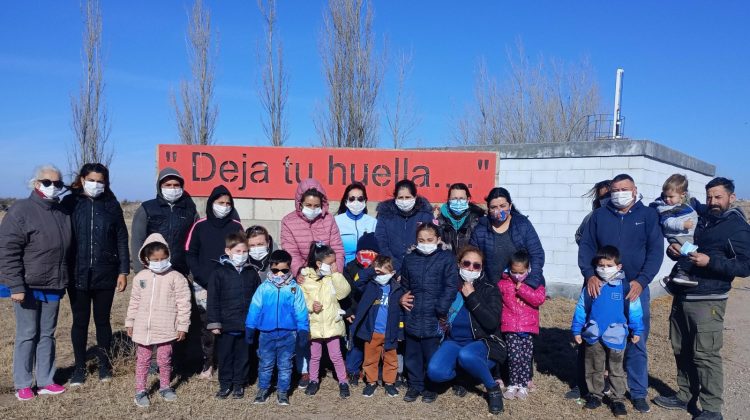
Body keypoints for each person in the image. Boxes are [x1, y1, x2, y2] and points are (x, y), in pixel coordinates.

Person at [654, 177, 750, 420]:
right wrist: (673, 251)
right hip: (684, 292)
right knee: (681, 348)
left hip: (709, 298)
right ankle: (684, 394)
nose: (712, 201)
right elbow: (687, 247)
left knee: (705, 354)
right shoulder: (703, 218)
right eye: (709, 197)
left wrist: (710, 262)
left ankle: (711, 408)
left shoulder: (737, 227)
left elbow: (745, 266)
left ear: (731, 197)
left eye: (718, 197)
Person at [577, 173, 663, 413]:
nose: (619, 193)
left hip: (634, 289)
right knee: (592, 335)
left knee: (636, 339)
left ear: (634, 190)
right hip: (601, 287)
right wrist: (589, 275)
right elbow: (586, 248)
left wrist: (642, 281)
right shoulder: (599, 216)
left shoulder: (647, 216)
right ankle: (588, 387)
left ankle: (637, 392)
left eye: (624, 188)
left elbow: (656, 251)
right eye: (615, 189)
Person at [0, 164, 72, 401]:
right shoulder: (21, 211)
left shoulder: (62, 212)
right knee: (27, 333)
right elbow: (7, 251)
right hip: (27, 285)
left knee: (47, 334)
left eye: (58, 183)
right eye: (47, 182)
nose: (53, 187)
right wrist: (16, 286)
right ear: (36, 183)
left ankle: (45, 380)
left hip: (53, 283)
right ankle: (22, 383)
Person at [62, 163, 130, 386]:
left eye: (100, 181)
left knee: (102, 320)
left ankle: (104, 365)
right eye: (92, 180)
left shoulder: (111, 204)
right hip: (77, 273)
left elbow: (121, 237)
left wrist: (123, 270)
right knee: (80, 321)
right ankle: (80, 368)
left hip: (105, 272)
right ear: (82, 179)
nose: (96, 184)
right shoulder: (71, 202)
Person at [426, 245, 506, 415]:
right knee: (435, 372)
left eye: (476, 265)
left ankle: (493, 389)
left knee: (467, 355)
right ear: (459, 264)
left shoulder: (489, 289)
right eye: (466, 263)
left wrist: (472, 297)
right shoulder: (450, 286)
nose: (470, 268)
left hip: (483, 343)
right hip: (454, 341)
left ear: (481, 268)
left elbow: (491, 323)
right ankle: (462, 376)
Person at [280, 178, 344, 387]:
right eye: (308, 205)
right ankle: (305, 368)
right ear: (300, 203)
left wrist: (335, 272)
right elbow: (290, 250)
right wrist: (300, 271)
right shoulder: (288, 221)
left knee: (327, 318)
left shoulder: (329, 220)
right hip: (304, 279)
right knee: (305, 323)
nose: (313, 209)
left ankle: (330, 363)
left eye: (317, 205)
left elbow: (337, 248)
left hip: (327, 277)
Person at [572, 245, 644, 418]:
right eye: (601, 265)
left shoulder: (626, 287)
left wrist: (637, 329)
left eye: (609, 265)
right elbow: (581, 308)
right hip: (593, 334)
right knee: (594, 367)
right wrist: (576, 329)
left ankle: (618, 399)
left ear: (618, 266)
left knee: (616, 369)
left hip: (617, 335)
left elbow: (635, 310)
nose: (604, 269)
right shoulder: (591, 286)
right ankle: (594, 395)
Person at [126, 233, 191, 408]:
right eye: (155, 259)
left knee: (164, 359)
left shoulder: (176, 277)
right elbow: (134, 301)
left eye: (164, 258)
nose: (160, 262)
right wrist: (130, 321)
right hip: (143, 328)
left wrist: (183, 325)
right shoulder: (141, 278)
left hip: (166, 327)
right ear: (146, 259)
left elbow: (184, 303)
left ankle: (165, 387)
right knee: (143, 360)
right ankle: (140, 390)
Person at [185, 185, 244, 379]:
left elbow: (241, 252)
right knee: (207, 324)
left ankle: (226, 360)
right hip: (204, 284)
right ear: (212, 203)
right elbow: (191, 253)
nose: (224, 206)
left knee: (228, 322)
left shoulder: (236, 226)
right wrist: (203, 278)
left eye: (228, 203)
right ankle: (207, 364)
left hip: (229, 284)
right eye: (220, 203)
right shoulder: (200, 225)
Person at [399, 223, 459, 404]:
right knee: (413, 354)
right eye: (421, 240)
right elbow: (405, 285)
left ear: (438, 240)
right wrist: (402, 299)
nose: (425, 243)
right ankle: (415, 385)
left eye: (430, 240)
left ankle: (431, 387)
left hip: (434, 316)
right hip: (413, 313)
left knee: (431, 353)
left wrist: (440, 308)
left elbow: (451, 286)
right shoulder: (409, 259)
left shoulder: (446, 259)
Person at [246, 250, 310, 406]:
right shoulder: (264, 288)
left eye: (284, 270)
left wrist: (303, 330)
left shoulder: (294, 289)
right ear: (270, 268)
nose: (280, 273)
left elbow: (301, 311)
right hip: (266, 334)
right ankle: (262, 390)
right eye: (275, 270)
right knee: (265, 363)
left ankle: (282, 392)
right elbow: (254, 308)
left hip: (288, 334)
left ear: (289, 268)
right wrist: (250, 327)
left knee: (285, 365)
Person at [207, 232, 260, 400]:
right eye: (238, 252)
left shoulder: (251, 272)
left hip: (246, 323)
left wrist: (256, 320)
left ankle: (239, 384)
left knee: (243, 355)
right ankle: (225, 384)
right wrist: (214, 323)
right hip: (225, 324)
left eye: (245, 252)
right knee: (225, 356)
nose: (242, 256)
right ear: (228, 251)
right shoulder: (219, 272)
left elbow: (258, 299)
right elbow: (213, 299)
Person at [299, 242, 352, 398]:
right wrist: (311, 306)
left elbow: (344, 292)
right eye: (331, 263)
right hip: (314, 324)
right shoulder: (306, 278)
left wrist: (336, 274)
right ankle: (313, 380)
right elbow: (301, 299)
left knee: (336, 355)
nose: (334, 265)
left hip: (331, 323)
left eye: (335, 262)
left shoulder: (332, 278)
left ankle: (343, 381)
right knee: (315, 356)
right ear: (318, 263)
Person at [349, 255, 405, 398]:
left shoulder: (397, 290)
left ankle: (390, 384)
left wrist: (399, 332)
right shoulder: (370, 287)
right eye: (377, 273)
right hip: (372, 332)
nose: (380, 276)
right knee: (370, 359)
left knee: (391, 359)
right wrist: (373, 271)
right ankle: (371, 383)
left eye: (383, 273)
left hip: (390, 333)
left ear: (392, 273)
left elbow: (401, 314)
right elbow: (357, 280)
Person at [470, 187, 546, 288]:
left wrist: (531, 282)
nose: (498, 210)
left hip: (521, 286)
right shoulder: (480, 229)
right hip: (492, 288)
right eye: (494, 207)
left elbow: (537, 254)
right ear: (488, 208)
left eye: (502, 206)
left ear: (510, 205)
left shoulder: (522, 225)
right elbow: (472, 256)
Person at [130, 167, 198, 277]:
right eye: (168, 185)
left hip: (181, 271)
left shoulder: (190, 210)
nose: (172, 188)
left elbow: (195, 241)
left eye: (176, 185)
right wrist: (139, 270)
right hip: (152, 269)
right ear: (160, 186)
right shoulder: (146, 208)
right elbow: (137, 240)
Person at [498, 250, 546, 400]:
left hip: (528, 327)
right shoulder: (504, 284)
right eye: (514, 272)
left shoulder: (535, 282)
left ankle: (523, 385)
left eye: (521, 272)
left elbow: (539, 299)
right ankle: (513, 384)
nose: (517, 275)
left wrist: (522, 289)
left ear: (528, 269)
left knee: (526, 358)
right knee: (514, 357)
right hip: (510, 327)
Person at [341, 232, 380, 386]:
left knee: (373, 344)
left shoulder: (380, 268)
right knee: (355, 344)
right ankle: (352, 371)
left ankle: (372, 371)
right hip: (355, 313)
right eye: (362, 252)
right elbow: (345, 292)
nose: (366, 256)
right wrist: (348, 311)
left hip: (374, 313)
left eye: (371, 252)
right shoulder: (350, 268)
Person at [650, 174, 699, 288]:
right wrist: (683, 224)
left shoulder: (684, 205)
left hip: (683, 235)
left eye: (671, 197)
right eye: (665, 196)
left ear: (683, 195)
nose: (667, 199)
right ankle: (681, 274)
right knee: (691, 254)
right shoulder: (665, 207)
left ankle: (677, 275)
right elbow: (667, 221)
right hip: (679, 235)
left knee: (688, 254)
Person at [375, 179, 434, 270]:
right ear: (395, 198)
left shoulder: (425, 215)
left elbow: (430, 243)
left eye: (408, 197)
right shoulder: (385, 215)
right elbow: (381, 242)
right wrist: (395, 267)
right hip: (390, 268)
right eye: (400, 197)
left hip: (418, 268)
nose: (404, 201)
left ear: (414, 197)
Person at [335, 182, 378, 264]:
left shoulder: (373, 222)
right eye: (352, 199)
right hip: (343, 269)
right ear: (346, 202)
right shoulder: (336, 221)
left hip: (367, 270)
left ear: (365, 201)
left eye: (360, 199)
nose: (356, 202)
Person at [436, 183, 485, 254]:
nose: (458, 202)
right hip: (447, 263)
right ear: (449, 200)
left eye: (462, 198)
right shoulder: (439, 221)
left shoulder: (477, 220)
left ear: (468, 200)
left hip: (468, 263)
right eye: (454, 199)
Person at [575, 180, 611, 245]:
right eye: (602, 197)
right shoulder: (593, 216)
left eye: (609, 195)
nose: (606, 199)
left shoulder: (627, 214)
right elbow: (579, 235)